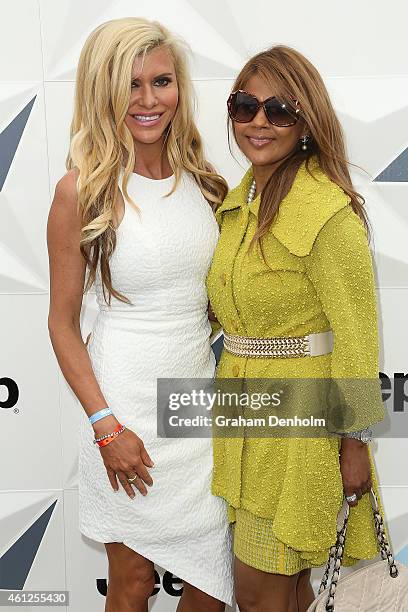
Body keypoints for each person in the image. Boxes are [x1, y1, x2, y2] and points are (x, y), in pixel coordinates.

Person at [47, 17, 233, 612]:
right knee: (131, 583)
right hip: (125, 404)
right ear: (103, 92)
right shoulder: (82, 192)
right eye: (131, 85)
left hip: (197, 406)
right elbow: (61, 322)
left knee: (212, 582)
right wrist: (106, 425)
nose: (149, 100)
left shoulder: (206, 185)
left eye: (162, 81)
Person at [206, 45, 387, 612]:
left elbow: (358, 336)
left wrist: (354, 443)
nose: (259, 121)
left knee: (259, 593)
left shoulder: (326, 211)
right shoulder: (240, 202)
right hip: (244, 414)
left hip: (300, 426)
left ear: (306, 121)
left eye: (279, 110)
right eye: (245, 105)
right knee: (286, 593)